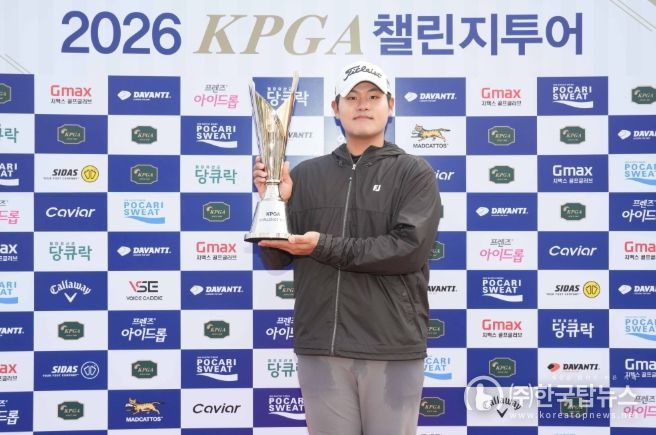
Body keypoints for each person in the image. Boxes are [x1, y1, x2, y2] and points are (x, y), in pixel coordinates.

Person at [252, 60, 441, 435]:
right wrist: (273, 202)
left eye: (373, 96)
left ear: (391, 105)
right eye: (351, 97)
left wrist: (322, 246)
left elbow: (408, 250)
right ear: (335, 109)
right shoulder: (305, 175)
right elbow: (274, 257)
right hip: (322, 347)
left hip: (390, 345)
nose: (363, 104)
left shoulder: (413, 172)